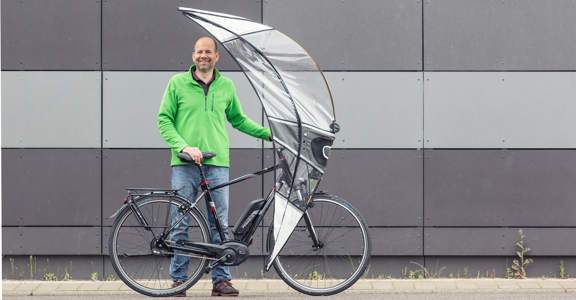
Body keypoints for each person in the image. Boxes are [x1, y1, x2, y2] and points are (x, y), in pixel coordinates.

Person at [157, 36, 272, 297]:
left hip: (218, 162)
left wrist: (268, 134)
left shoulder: (227, 86)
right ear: (193, 55)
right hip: (185, 163)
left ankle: (221, 281)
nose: (203, 56)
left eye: (208, 52)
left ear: (216, 56)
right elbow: (164, 120)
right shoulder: (177, 84)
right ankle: (179, 281)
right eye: (199, 52)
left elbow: (239, 120)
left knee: (219, 223)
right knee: (180, 222)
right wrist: (183, 146)